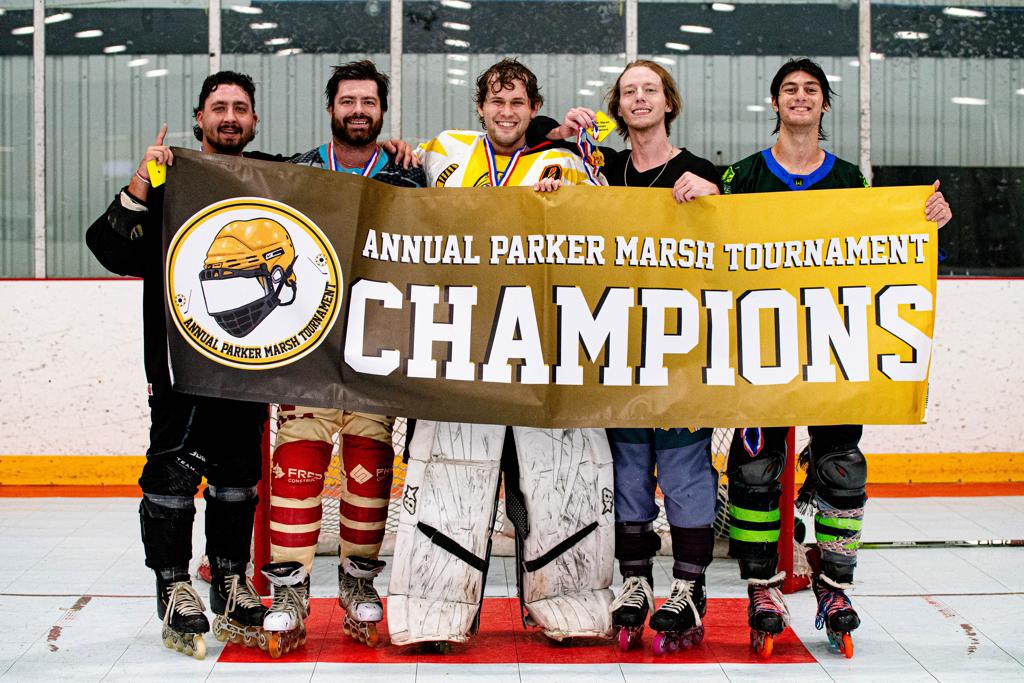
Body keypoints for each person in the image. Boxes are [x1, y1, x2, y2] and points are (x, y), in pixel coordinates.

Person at [721, 58, 952, 658]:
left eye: (811, 90)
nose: (800, 97)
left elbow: (891, 245)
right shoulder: (741, 176)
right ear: (775, 102)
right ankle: (762, 588)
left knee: (841, 467)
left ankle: (833, 586)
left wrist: (927, 219)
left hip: (833, 346)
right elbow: (699, 245)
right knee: (755, 470)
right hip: (761, 350)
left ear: (824, 104)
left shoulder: (851, 179)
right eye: (789, 89)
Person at [387, 58, 616, 649]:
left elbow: (609, 222)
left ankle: (570, 606)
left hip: (544, 350)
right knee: (451, 479)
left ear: (533, 108)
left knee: (559, 483)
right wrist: (396, 155)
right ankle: (435, 612)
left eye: (517, 102)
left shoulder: (564, 162)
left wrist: (576, 187)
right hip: (459, 348)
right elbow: (398, 183)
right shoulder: (446, 151)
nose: (506, 112)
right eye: (496, 101)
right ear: (481, 107)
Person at [86, 71, 275, 660]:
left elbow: (340, 185)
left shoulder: (272, 177)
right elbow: (110, 250)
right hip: (179, 362)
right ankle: (173, 586)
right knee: (172, 473)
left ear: (254, 121)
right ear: (199, 119)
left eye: (240, 108)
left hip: (251, 361)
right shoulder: (169, 179)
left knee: (238, 476)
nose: (230, 117)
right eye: (219, 107)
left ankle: (229, 578)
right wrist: (143, 179)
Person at [536, 60, 723, 654]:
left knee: (685, 471)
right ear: (617, 107)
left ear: (668, 102)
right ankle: (637, 580)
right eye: (628, 92)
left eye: (650, 90)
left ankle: (688, 585)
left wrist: (716, 200)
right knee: (629, 471)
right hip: (615, 349)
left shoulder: (700, 171)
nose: (640, 98)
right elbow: (529, 137)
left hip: (679, 350)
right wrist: (558, 154)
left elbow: (745, 241)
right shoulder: (602, 169)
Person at [259, 60, 426, 656]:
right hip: (308, 349)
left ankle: (358, 583)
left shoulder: (410, 175)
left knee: (368, 463)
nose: (358, 110)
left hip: (377, 348)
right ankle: (289, 593)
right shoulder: (299, 171)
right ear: (331, 108)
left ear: (382, 112)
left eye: (368, 102)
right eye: (348, 101)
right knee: (297, 462)